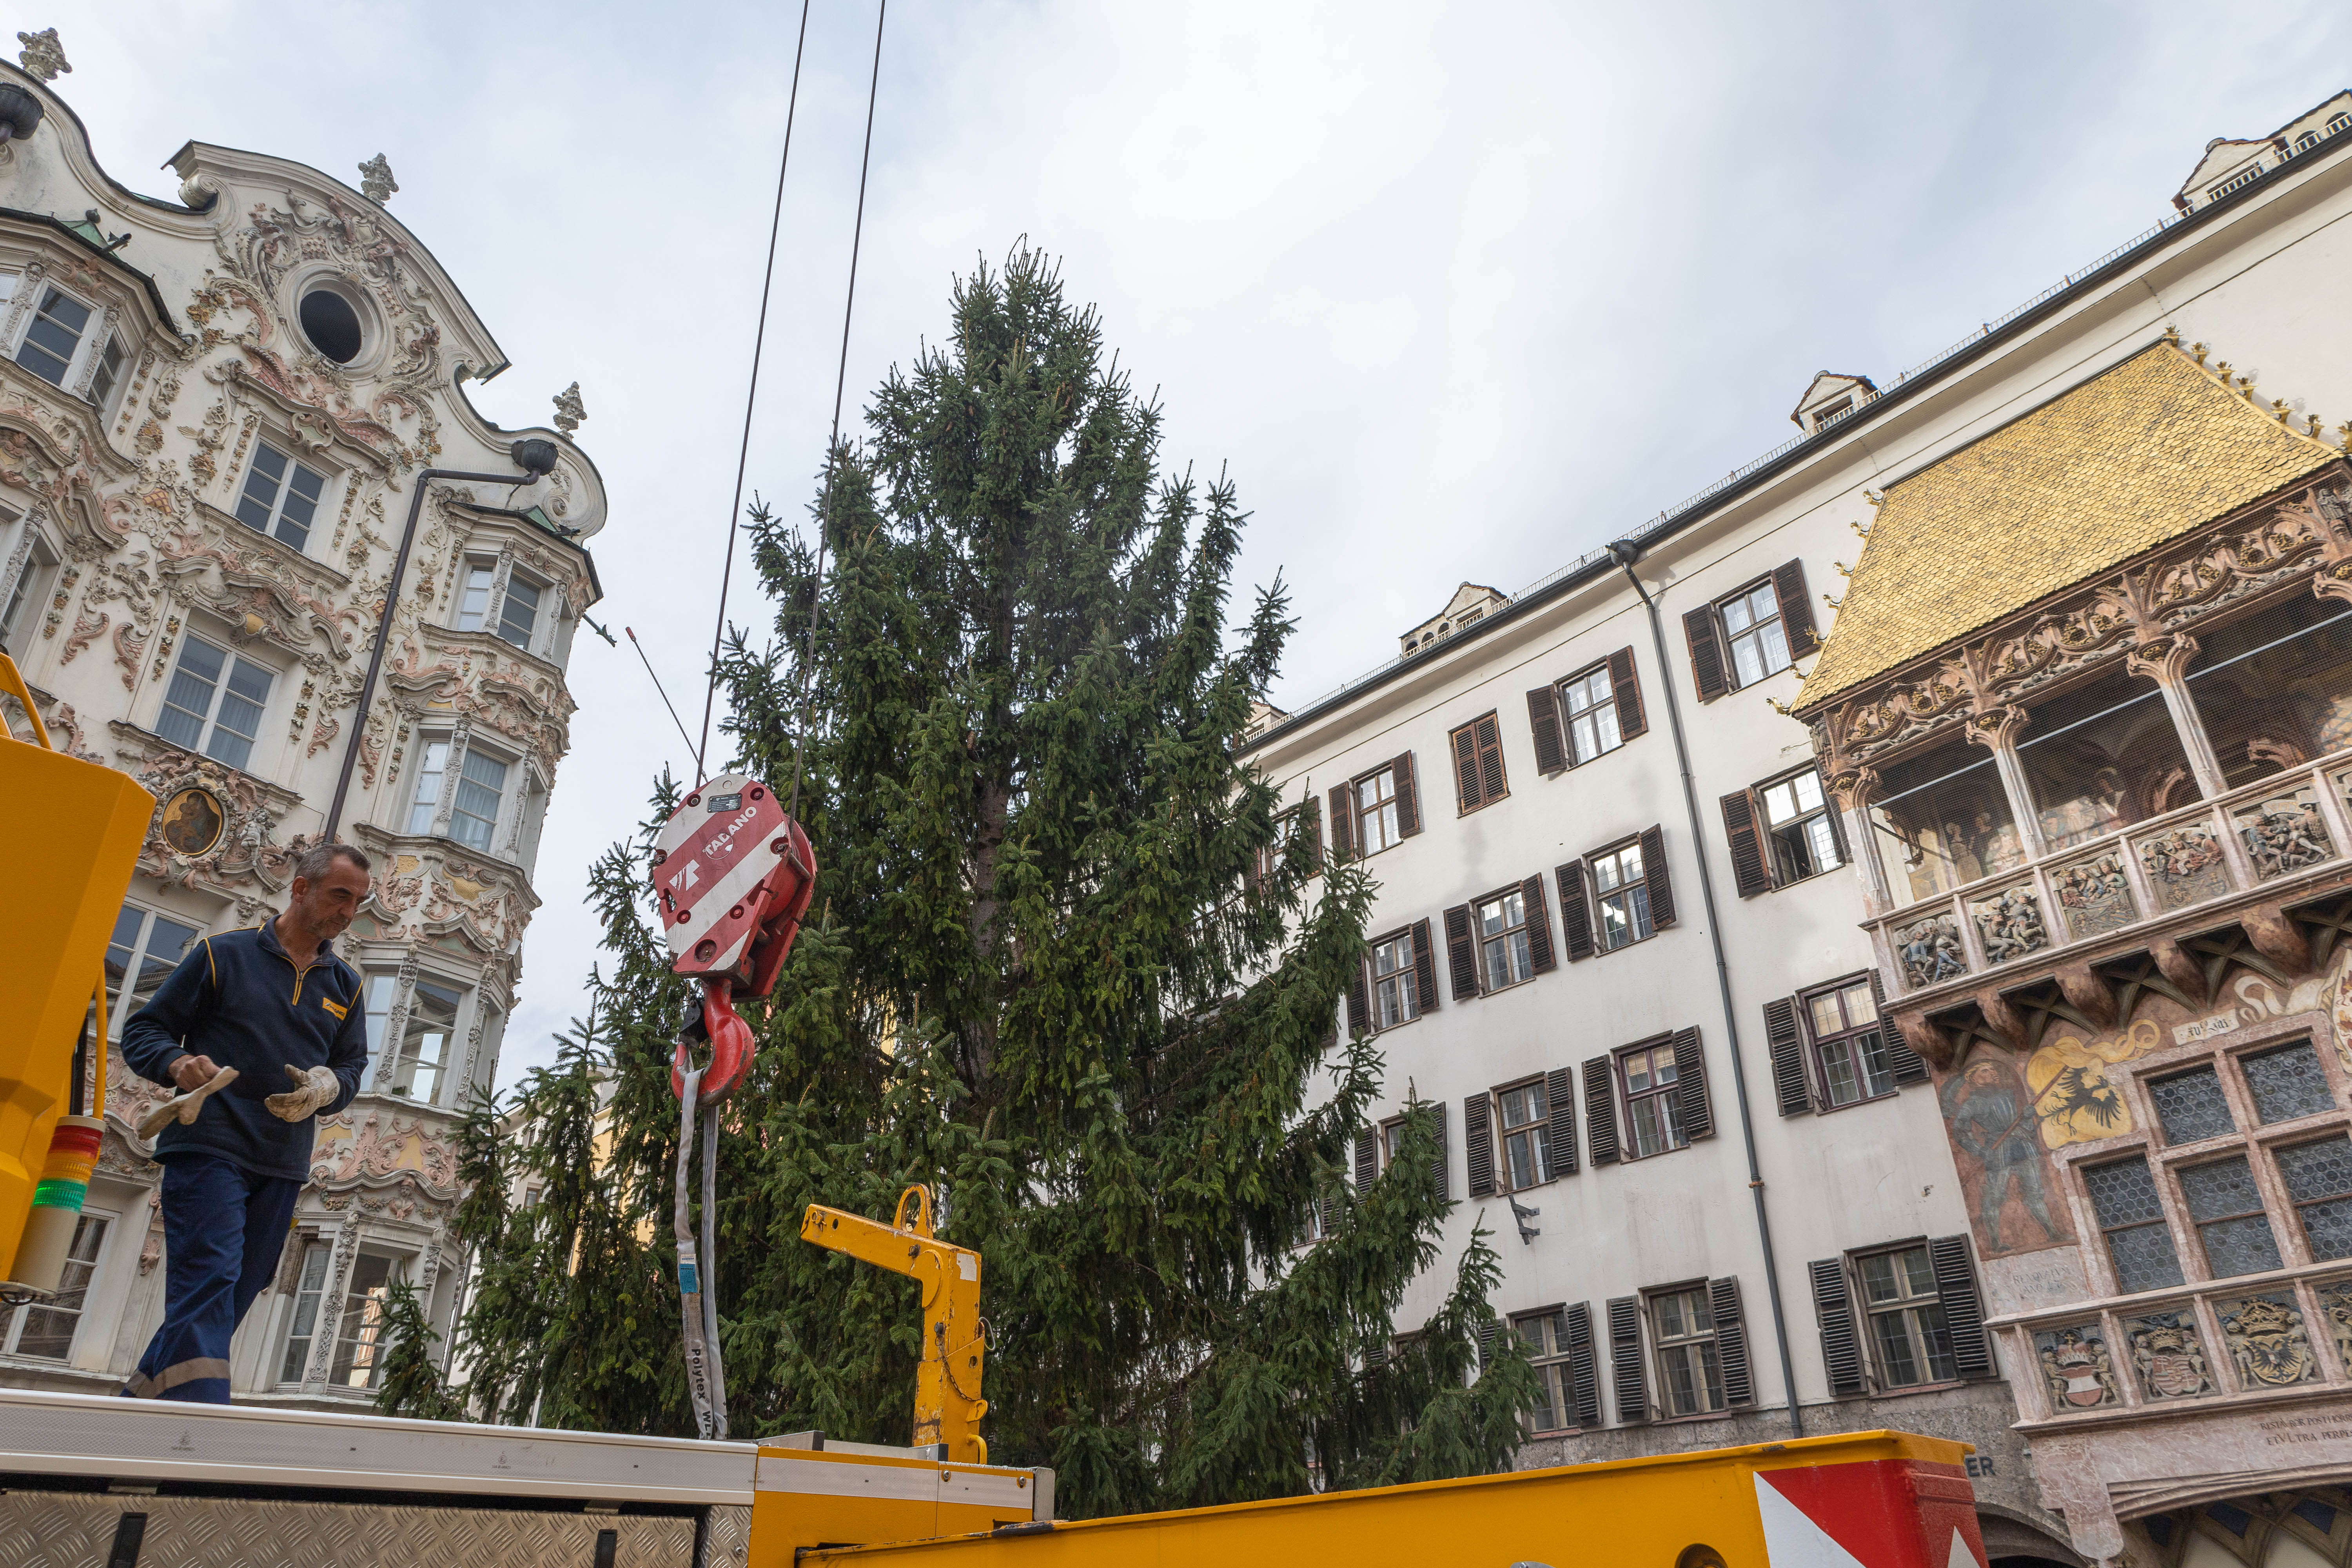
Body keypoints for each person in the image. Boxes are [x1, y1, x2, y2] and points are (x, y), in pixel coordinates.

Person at [116, 842, 372, 1401]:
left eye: (359, 902)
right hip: (208, 1144)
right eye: (340, 895)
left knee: (239, 1287)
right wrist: (177, 1063)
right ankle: (199, 1422)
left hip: (282, 1161)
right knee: (210, 1275)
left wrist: (328, 1087)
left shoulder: (346, 987)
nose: (349, 912)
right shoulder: (222, 955)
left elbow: (352, 1067)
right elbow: (143, 1031)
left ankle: (139, 1405)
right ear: (300, 889)